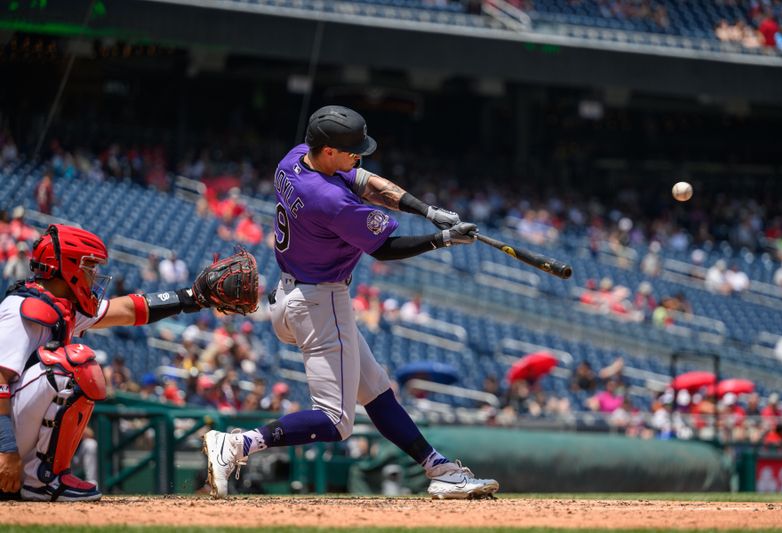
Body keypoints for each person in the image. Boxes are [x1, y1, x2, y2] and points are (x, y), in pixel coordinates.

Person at [203, 105, 498, 500]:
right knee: (336, 421)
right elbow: (385, 248)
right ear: (327, 150)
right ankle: (238, 445)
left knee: (375, 390)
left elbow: (365, 181)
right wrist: (441, 239)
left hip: (292, 296)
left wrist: (426, 211)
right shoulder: (327, 198)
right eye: (351, 149)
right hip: (319, 301)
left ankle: (439, 468)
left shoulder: (294, 159)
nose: (359, 155)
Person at [0, 224, 236, 501]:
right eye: (88, 266)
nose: (93, 275)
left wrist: (191, 298)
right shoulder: (22, 308)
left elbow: (126, 310)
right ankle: (41, 481)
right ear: (68, 266)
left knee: (73, 363)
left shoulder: (58, 304)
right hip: (4, 441)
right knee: (76, 364)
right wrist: (6, 449)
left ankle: (41, 477)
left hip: (12, 431)